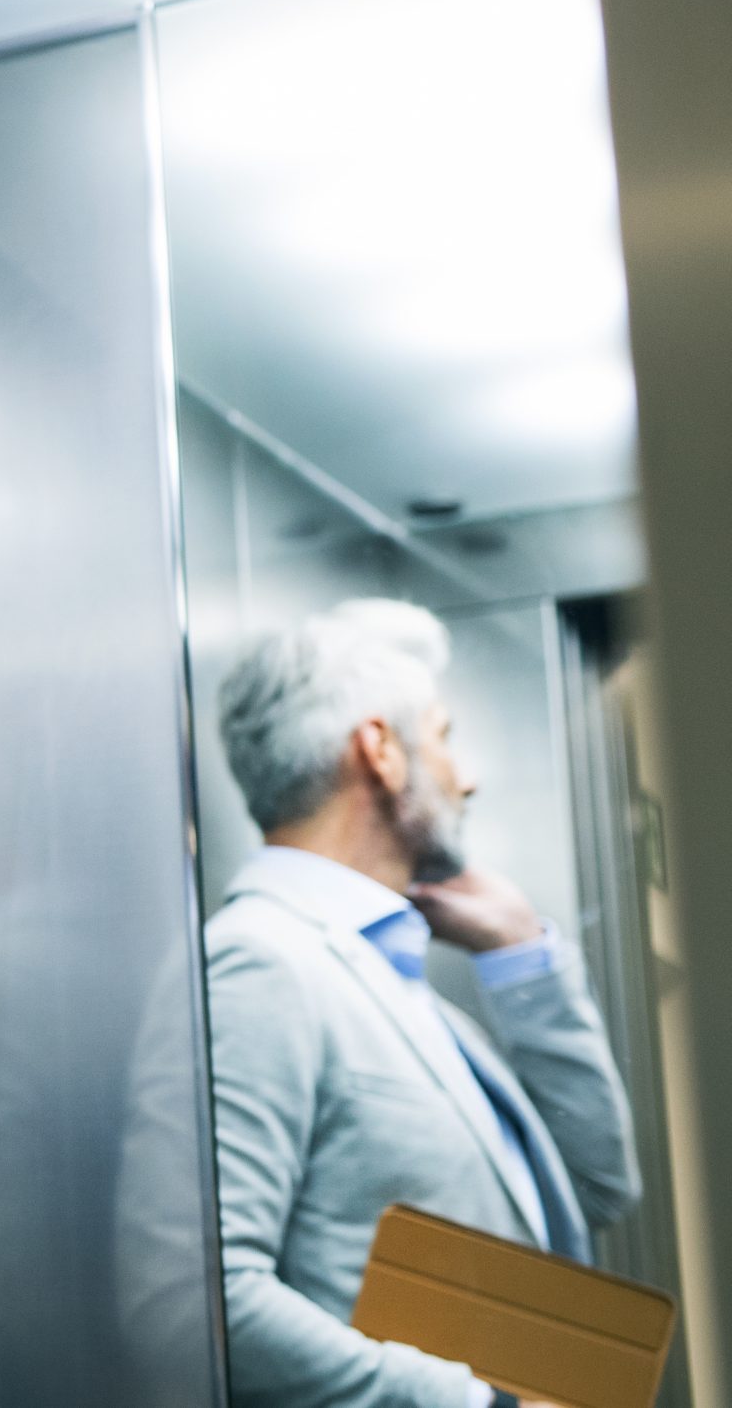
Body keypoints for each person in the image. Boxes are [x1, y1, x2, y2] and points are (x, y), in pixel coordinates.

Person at [202, 599, 640, 1408]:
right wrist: (483, 1404)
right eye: (442, 736)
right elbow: (209, 1295)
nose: (465, 776)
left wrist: (520, 955)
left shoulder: (396, 985)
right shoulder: (264, 961)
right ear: (381, 751)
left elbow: (599, 1189)